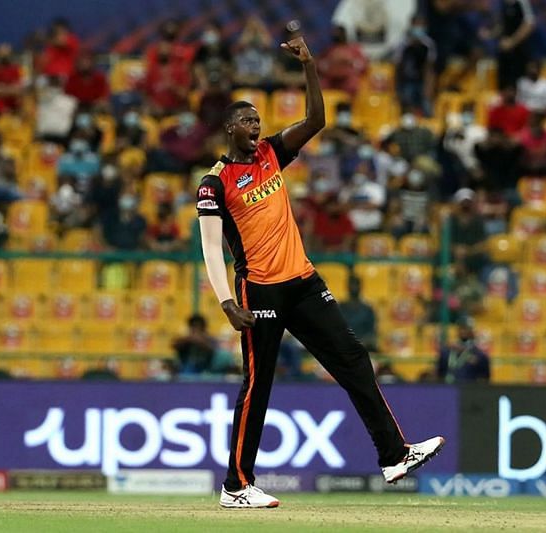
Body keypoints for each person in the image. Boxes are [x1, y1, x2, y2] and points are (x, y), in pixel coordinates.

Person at [196, 32, 444, 509]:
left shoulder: (271, 153)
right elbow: (210, 244)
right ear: (230, 129)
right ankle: (235, 486)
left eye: (257, 119)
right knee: (258, 384)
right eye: (246, 120)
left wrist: (309, 65)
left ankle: (393, 455)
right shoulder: (215, 182)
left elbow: (316, 119)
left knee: (353, 359)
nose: (255, 124)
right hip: (260, 289)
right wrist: (226, 301)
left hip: (303, 282)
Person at [394, 16, 436, 117]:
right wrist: (397, 87)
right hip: (407, 82)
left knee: (426, 108)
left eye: (421, 25)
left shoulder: (428, 44)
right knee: (407, 109)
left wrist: (429, 86)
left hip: (421, 81)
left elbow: (429, 67)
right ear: (411, 25)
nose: (419, 28)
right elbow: (398, 66)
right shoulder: (403, 44)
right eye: (417, 25)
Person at [316, 25, 368, 97]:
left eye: (339, 33)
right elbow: (320, 65)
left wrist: (350, 63)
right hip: (331, 80)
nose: (338, 35)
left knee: (354, 85)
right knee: (321, 87)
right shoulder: (328, 50)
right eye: (335, 34)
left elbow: (362, 65)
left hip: (348, 79)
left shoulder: (354, 49)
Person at [495, 0, 536, 90]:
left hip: (519, 53)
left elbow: (529, 24)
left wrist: (512, 41)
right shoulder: (503, 4)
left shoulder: (522, 2)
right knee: (504, 83)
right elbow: (502, 25)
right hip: (505, 53)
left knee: (519, 84)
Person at [437, 317, 490, 383]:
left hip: (469, 390)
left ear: (472, 331)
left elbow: (485, 378)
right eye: (461, 328)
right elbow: (440, 374)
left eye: (466, 328)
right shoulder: (446, 352)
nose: (463, 331)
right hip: (448, 390)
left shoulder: (480, 355)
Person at [338, 277, 377, 351]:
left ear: (361, 287)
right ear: (347, 287)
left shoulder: (367, 309)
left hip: (364, 349)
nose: (354, 288)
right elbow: (335, 330)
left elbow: (371, 333)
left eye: (356, 285)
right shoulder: (339, 308)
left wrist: (362, 343)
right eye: (351, 285)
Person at [0, 44, 22, 116]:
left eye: (6, 54)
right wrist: (4, 90)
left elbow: (18, 90)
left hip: (10, 103)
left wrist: (1, 89)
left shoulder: (15, 69)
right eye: (1, 54)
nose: (3, 57)